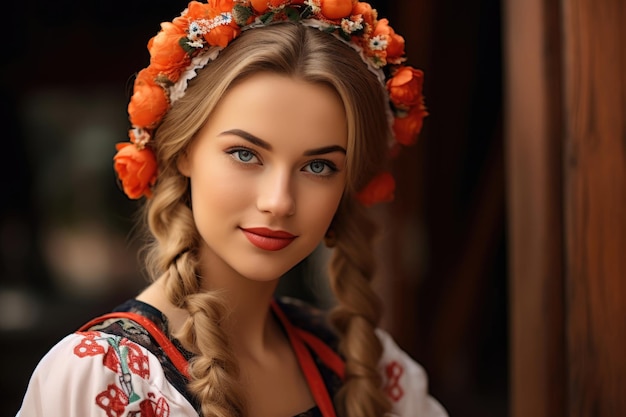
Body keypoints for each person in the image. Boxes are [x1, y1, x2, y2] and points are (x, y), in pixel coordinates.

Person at [17, 1, 447, 417]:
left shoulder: (367, 369)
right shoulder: (104, 381)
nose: (278, 201)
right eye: (245, 154)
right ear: (184, 151)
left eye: (319, 166)